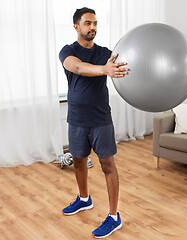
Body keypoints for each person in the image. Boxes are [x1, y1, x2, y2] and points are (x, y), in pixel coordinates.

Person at [59, 7, 128, 239]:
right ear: (76, 26)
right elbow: (77, 67)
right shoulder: (67, 51)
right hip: (77, 119)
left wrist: (117, 69)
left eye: (95, 23)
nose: (93, 28)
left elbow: (123, 67)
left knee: (108, 166)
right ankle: (84, 199)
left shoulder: (106, 53)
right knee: (79, 161)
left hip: (100, 119)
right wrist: (104, 70)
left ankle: (113, 216)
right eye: (88, 23)